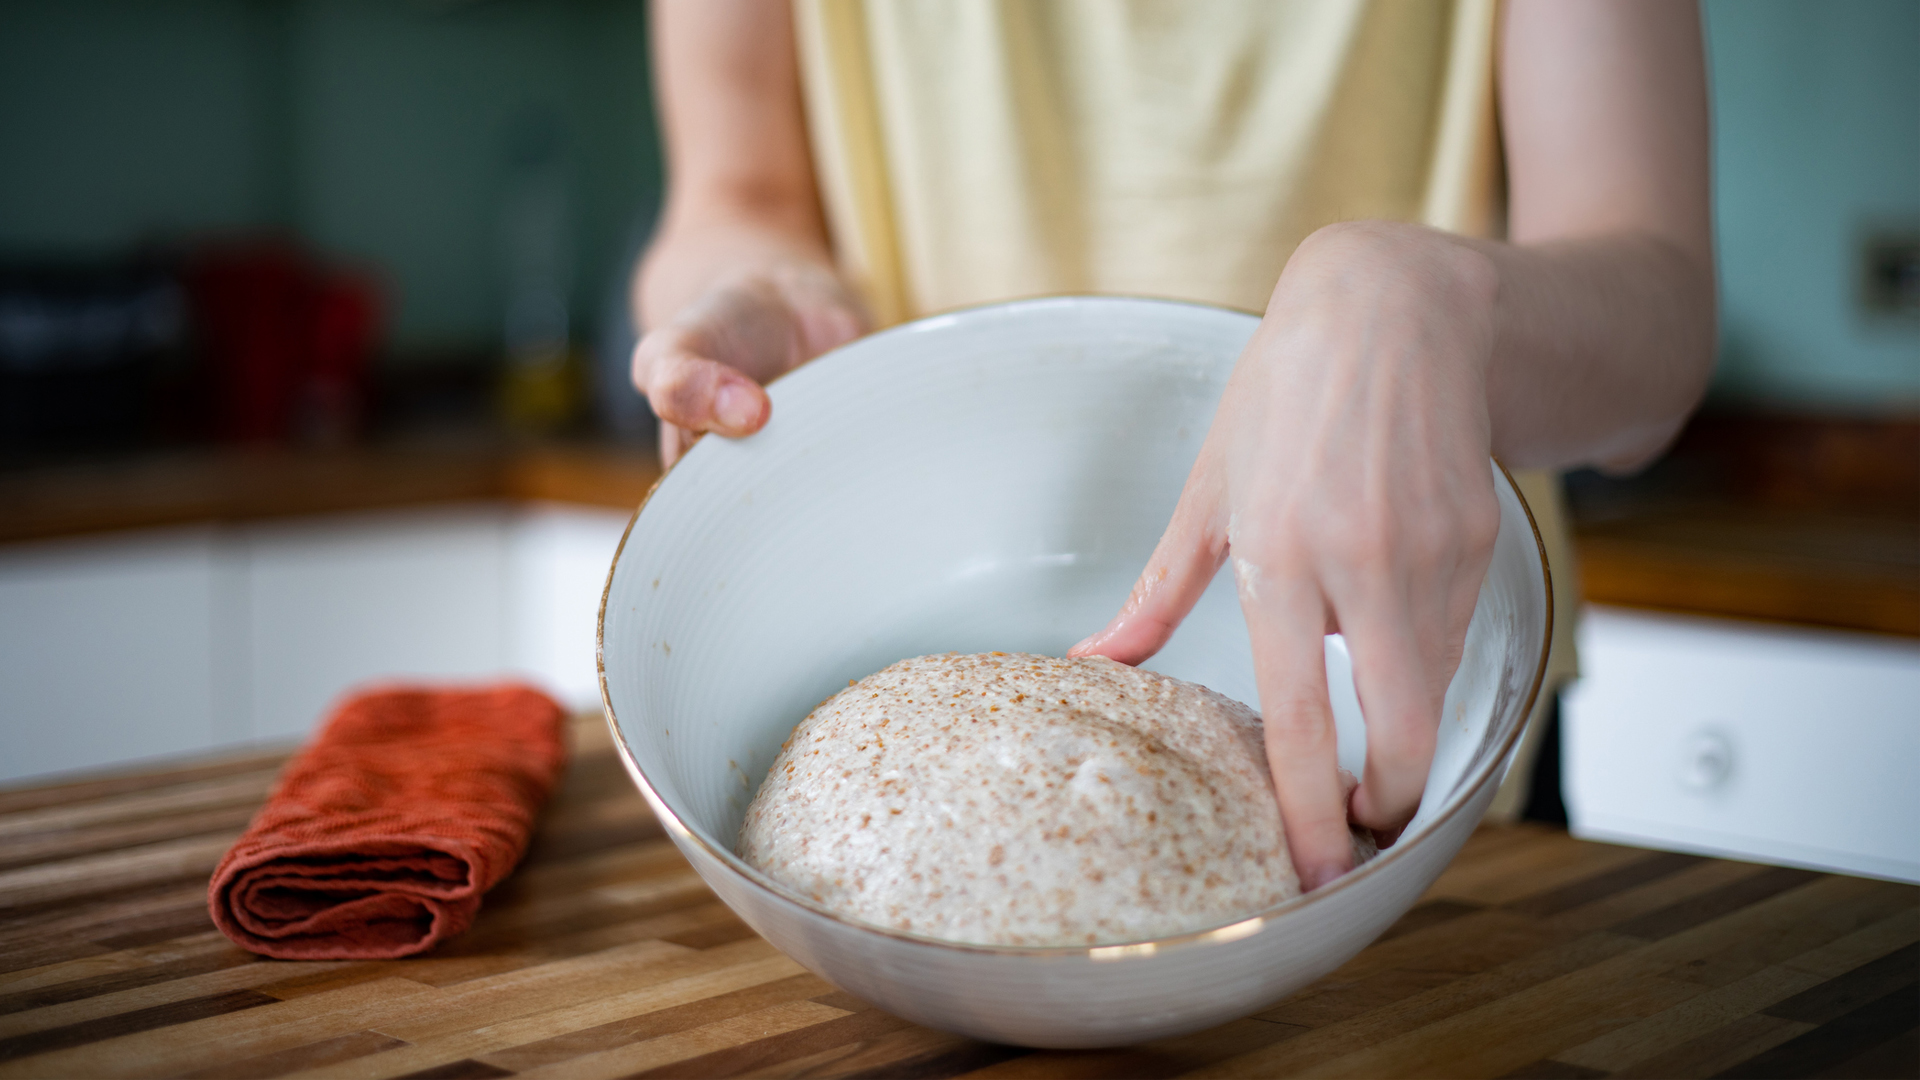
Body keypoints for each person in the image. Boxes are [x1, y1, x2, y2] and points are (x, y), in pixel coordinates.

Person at [629, 0, 1715, 891]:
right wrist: (768, 289)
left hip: (1434, 781)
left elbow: (1660, 330)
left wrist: (1436, 297)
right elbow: (733, 199)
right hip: (908, 798)